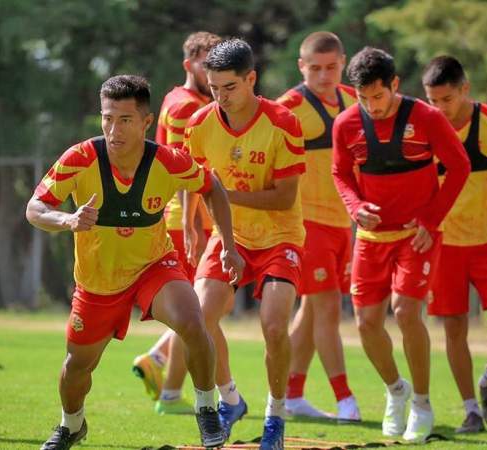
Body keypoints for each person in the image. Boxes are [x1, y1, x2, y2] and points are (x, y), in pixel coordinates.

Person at [27, 74, 244, 449]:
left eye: (125, 120)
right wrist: (67, 220)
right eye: (107, 118)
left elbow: (212, 187)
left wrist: (228, 244)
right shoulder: (80, 158)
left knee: (193, 321)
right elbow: (35, 208)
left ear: (147, 122)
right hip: (98, 282)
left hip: (153, 268)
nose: (114, 129)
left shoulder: (167, 161)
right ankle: (71, 424)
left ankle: (207, 409)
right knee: (77, 367)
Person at [332, 46, 470, 443]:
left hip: (418, 234)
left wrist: (432, 218)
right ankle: (397, 390)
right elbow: (340, 173)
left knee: (407, 312)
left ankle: (422, 404)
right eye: (363, 98)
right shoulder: (346, 124)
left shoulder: (426, 117)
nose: (372, 106)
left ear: (394, 85)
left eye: (378, 96)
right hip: (371, 239)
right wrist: (356, 207)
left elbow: (459, 166)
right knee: (365, 324)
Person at [178, 38, 306, 450]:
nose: (221, 97)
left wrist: (223, 194)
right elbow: (190, 179)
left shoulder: (283, 122)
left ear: (252, 79)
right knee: (197, 319)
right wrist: (189, 223)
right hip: (227, 234)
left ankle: (276, 417)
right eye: (214, 88)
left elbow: (285, 197)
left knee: (272, 325)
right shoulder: (199, 124)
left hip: (280, 237)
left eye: (230, 87)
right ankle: (230, 399)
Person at [421, 55, 487, 433]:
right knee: (454, 329)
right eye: (432, 100)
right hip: (444, 246)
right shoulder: (422, 128)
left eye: (446, 100)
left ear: (465, 89)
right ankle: (470, 409)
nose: (439, 109)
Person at [131, 31, 221, 416]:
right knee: (197, 313)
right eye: (206, 61)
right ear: (189, 65)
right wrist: (190, 223)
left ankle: (156, 359)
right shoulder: (187, 106)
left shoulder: (178, 98)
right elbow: (186, 169)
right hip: (183, 219)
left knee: (200, 311)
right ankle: (169, 392)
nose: (212, 68)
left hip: (185, 217)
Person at [275, 31, 360, 422]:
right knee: (327, 306)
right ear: (300, 67)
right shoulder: (288, 106)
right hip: (307, 224)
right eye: (315, 69)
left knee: (312, 309)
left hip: (345, 222)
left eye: (331, 67)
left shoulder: (353, 99)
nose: (324, 76)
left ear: (343, 62)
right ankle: (345, 399)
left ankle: (290, 396)